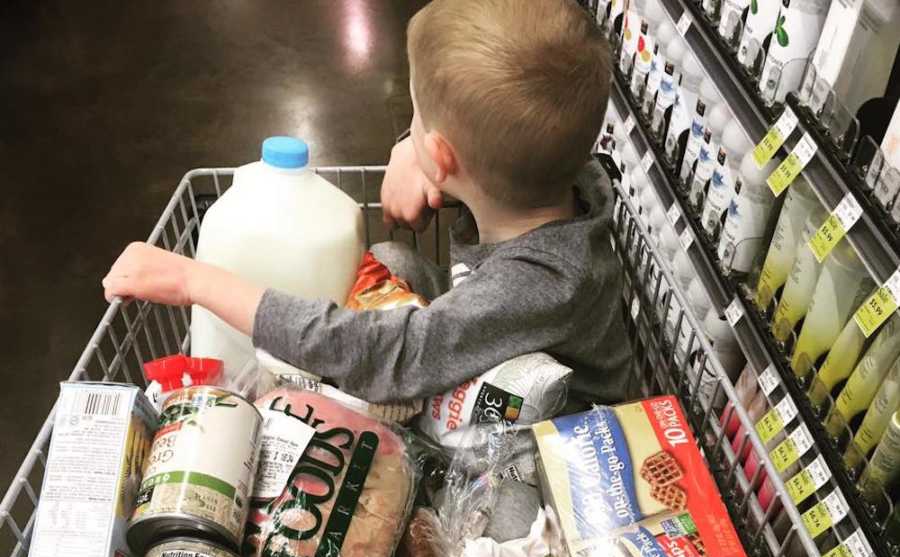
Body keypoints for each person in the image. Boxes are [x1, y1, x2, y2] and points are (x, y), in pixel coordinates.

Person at [101, 0, 631, 407]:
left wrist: (198, 282)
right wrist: (412, 148)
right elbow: (488, 148)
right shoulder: (558, 174)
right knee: (391, 262)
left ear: (443, 157)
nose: (410, 127)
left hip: (553, 449)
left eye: (415, 116)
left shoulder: (539, 285)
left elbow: (385, 353)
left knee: (369, 355)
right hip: (494, 338)